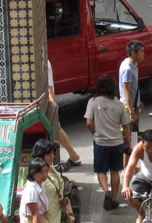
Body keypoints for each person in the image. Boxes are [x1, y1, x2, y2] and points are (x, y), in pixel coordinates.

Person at [85, 74, 130, 211]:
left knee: (101, 171)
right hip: (116, 142)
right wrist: (128, 143)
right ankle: (114, 198)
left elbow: (89, 122)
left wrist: (95, 133)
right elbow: (126, 126)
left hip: (100, 143)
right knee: (115, 171)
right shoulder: (119, 104)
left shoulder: (93, 102)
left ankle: (106, 191)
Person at [45, 60, 80, 169]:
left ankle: (72, 154)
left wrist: (54, 107)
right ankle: (72, 154)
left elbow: (49, 88)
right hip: (47, 102)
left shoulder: (44, 62)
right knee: (56, 129)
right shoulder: (44, 61)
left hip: (48, 103)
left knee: (56, 129)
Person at [17, 158, 50, 223]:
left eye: (46, 171)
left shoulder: (40, 187)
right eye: (41, 172)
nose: (45, 175)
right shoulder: (31, 190)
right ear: (33, 173)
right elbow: (35, 215)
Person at [118, 40, 145, 143]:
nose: (143, 54)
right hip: (128, 108)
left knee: (133, 137)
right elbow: (126, 92)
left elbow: (133, 88)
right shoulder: (127, 69)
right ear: (133, 53)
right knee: (130, 139)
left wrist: (138, 101)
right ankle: (130, 158)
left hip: (133, 105)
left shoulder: (133, 65)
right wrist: (131, 112)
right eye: (141, 52)